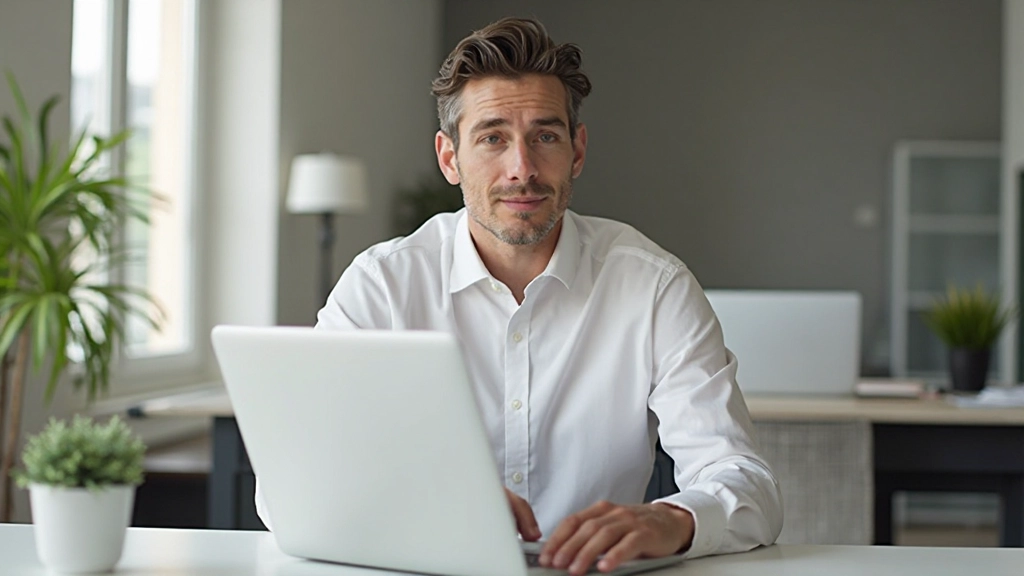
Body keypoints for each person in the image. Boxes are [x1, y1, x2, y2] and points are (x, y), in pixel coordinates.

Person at [257, 16, 782, 574]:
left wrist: (673, 521)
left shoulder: (653, 286)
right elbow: (288, 487)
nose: (522, 169)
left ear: (577, 150)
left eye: (545, 136)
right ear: (449, 157)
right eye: (492, 138)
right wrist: (423, 501)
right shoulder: (382, 285)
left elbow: (747, 485)